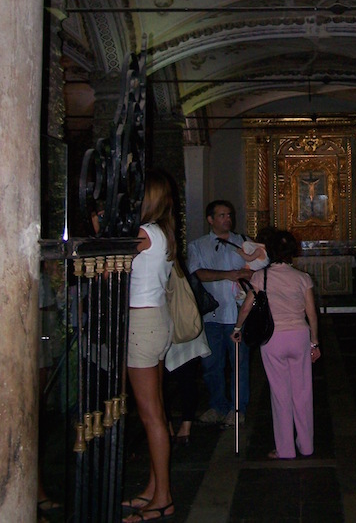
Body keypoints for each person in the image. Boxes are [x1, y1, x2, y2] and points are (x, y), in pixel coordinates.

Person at [232, 229, 321, 459]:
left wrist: (237, 328)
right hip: (299, 336)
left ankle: (285, 449)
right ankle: (307, 445)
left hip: (273, 338)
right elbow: (312, 313)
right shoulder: (303, 278)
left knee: (280, 394)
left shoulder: (261, 277)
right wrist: (315, 342)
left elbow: (247, 307)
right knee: (302, 393)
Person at [122, 169, 177, 522]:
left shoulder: (142, 233)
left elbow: (106, 257)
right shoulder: (162, 232)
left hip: (142, 324)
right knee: (157, 409)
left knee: (151, 416)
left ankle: (163, 498)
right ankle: (153, 487)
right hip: (157, 318)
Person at [187, 201, 254, 425]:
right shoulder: (198, 246)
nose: (227, 219)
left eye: (229, 214)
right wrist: (228, 275)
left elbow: (256, 269)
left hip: (237, 314)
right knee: (211, 364)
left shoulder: (243, 243)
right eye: (222, 215)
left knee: (239, 363)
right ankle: (217, 404)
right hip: (212, 316)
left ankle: (238, 408)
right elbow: (199, 273)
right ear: (210, 219)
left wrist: (246, 274)